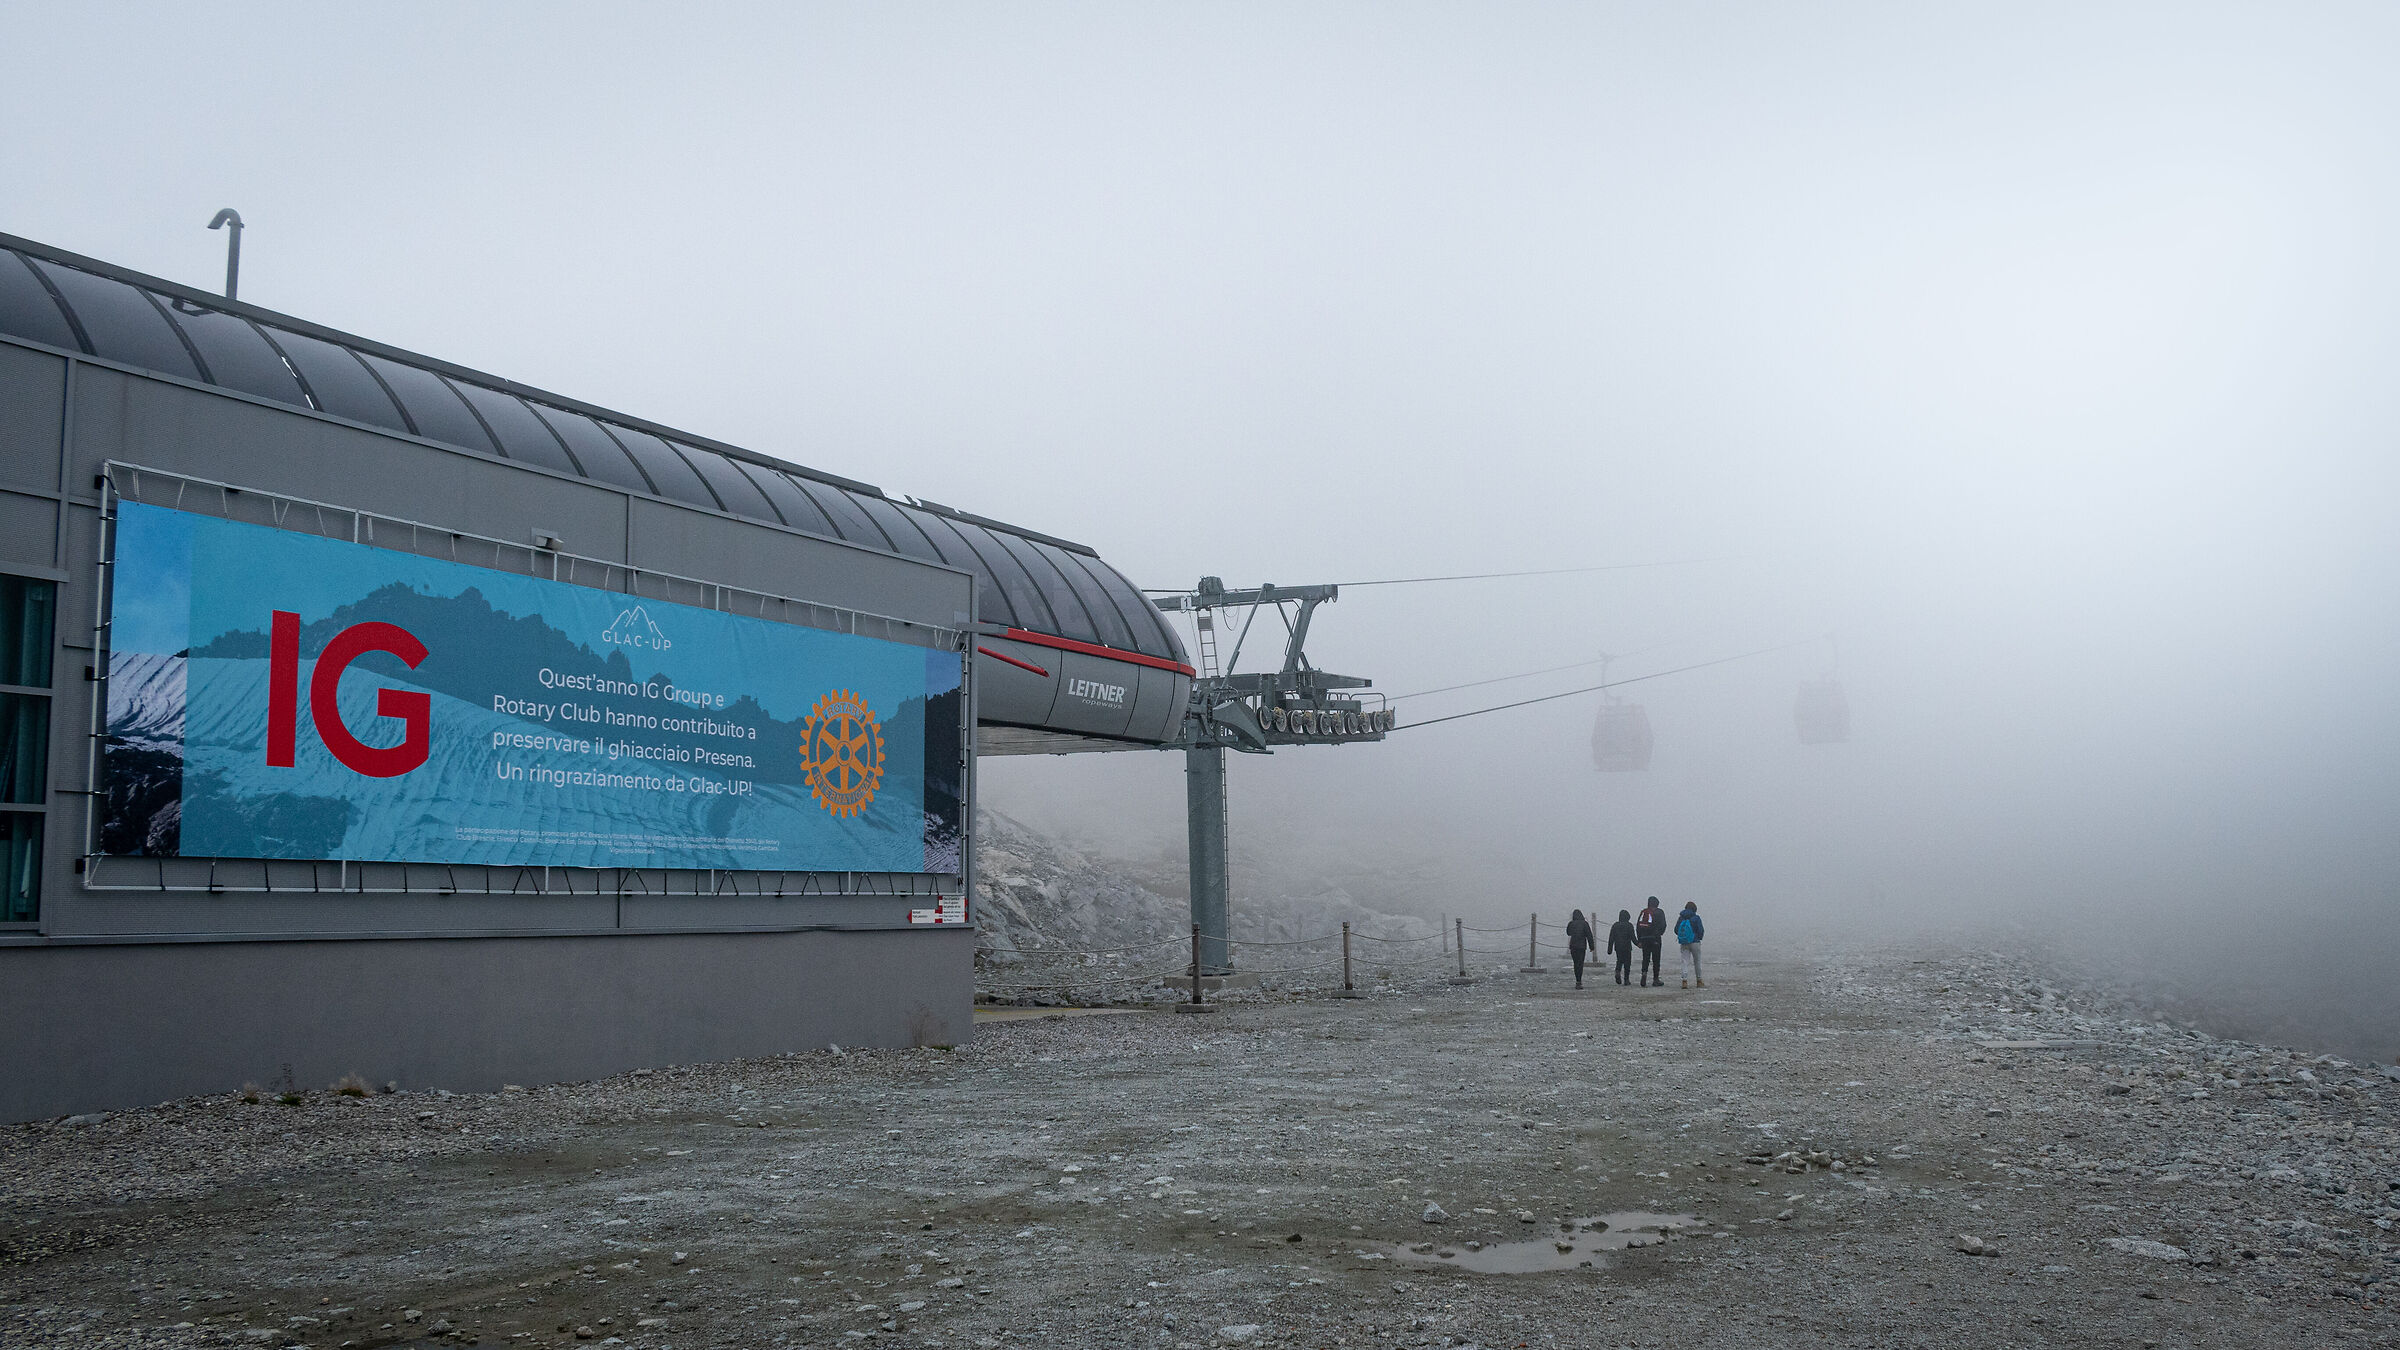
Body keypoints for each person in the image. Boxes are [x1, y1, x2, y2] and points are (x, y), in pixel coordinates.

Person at [1634, 897, 1667, 987]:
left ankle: (1644, 974)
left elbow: (1638, 927)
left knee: (1645, 958)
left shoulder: (1643, 912)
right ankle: (1655, 979)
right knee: (1656, 959)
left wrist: (1639, 939)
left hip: (1644, 939)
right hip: (1655, 939)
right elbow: (1663, 925)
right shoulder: (1660, 912)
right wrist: (1659, 934)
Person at [1675, 900, 1706, 989]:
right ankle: (1699, 981)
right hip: (1695, 942)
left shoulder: (1681, 918)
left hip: (1684, 942)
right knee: (1697, 961)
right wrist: (1698, 937)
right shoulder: (1696, 918)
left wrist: (1683, 936)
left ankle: (1684, 981)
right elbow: (1701, 930)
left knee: (1685, 961)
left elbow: (1676, 929)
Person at [1564, 909, 1594, 989]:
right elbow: (1589, 935)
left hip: (1573, 946)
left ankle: (1577, 980)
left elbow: (1568, 933)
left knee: (1575, 963)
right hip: (1581, 946)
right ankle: (1579, 981)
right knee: (1580, 964)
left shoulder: (1571, 923)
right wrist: (1592, 946)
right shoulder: (1585, 924)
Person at [1606, 908, 1636, 986]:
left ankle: (1618, 971)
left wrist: (1609, 949)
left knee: (1619, 961)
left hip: (1618, 947)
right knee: (1627, 963)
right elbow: (1633, 937)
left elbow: (1611, 938)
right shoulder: (1629, 925)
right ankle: (1626, 979)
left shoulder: (1615, 925)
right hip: (1627, 947)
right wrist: (1638, 944)